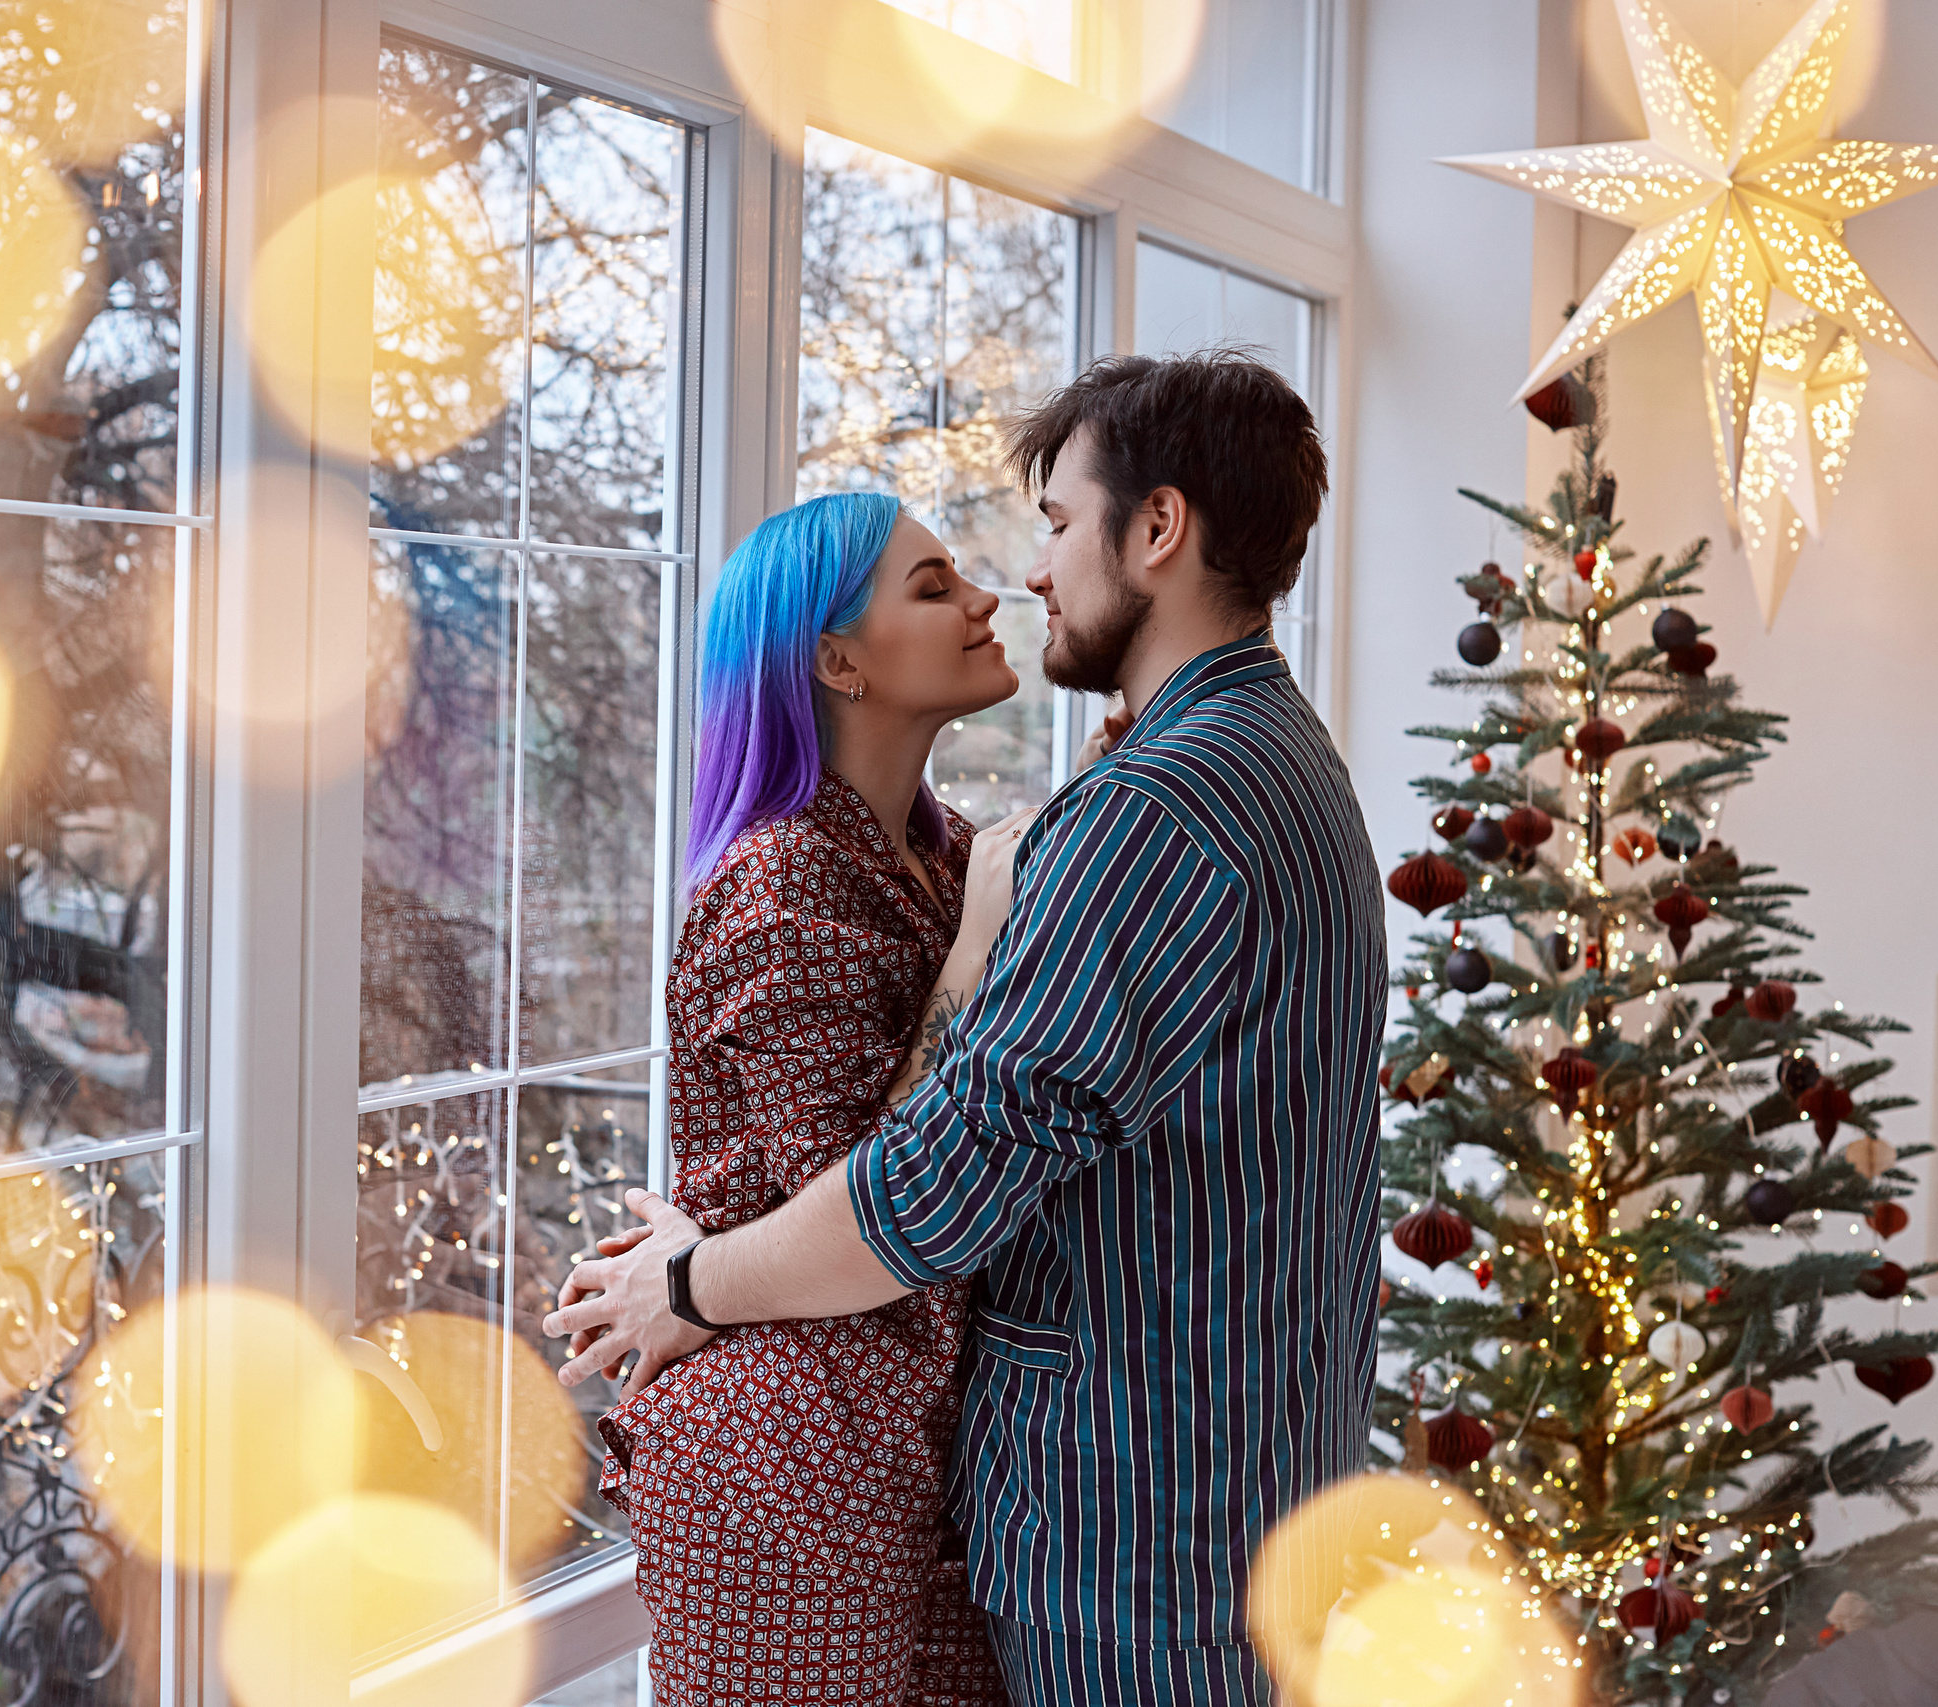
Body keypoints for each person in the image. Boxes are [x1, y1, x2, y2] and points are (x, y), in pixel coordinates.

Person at [549, 348, 1388, 1705]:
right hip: (1188, 1496)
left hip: (1142, 1532)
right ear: (833, 661)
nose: (1033, 573)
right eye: (941, 576)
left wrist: (690, 1282)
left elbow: (929, 1191)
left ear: (1158, 528)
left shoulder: (1150, 810)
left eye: (1057, 521)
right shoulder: (1271, 753)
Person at [587, 491, 1034, 1706]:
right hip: (786, 1460)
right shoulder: (783, 881)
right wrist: (976, 946)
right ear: (837, 659)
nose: (986, 600)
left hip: (910, 1440)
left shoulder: (934, 854)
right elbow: (874, 1194)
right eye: (933, 587)